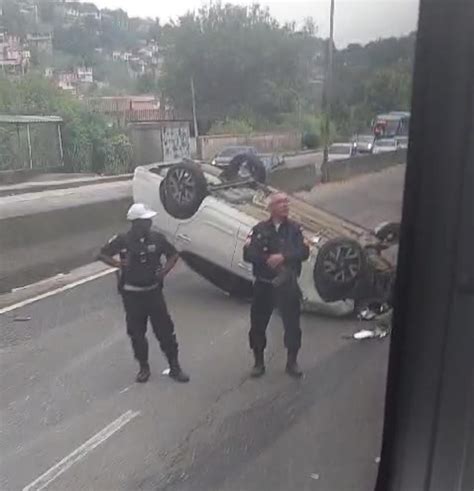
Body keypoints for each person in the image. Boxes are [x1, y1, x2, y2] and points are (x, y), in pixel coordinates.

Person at [99, 203, 189, 384]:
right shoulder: (122, 240)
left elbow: (173, 255)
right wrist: (118, 265)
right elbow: (102, 254)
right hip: (132, 297)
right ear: (136, 223)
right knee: (137, 334)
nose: (150, 222)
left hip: (153, 294)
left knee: (165, 332)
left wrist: (163, 271)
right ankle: (144, 367)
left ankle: (174, 367)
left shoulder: (157, 238)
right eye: (146, 220)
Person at [243, 192, 310, 378]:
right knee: (257, 325)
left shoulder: (295, 230)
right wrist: (267, 259)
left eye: (286, 202)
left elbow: (304, 252)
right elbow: (247, 254)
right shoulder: (259, 229)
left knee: (292, 325)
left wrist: (284, 257)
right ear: (271, 208)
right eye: (280, 202)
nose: (285, 205)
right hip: (264, 285)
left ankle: (292, 361)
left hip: (287, 285)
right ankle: (258, 362)